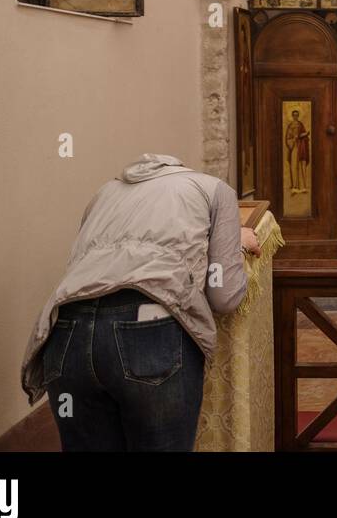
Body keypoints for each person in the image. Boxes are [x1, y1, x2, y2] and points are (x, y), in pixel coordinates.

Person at [20, 154, 261, 451]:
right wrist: (236, 243)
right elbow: (224, 296)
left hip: (65, 330)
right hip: (148, 330)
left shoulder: (105, 192)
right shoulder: (213, 189)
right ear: (181, 168)